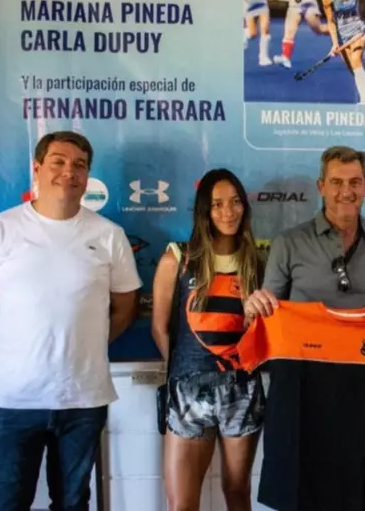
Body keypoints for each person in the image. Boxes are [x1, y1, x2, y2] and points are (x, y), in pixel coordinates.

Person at [242, 145, 365, 511]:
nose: (346, 191)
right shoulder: (288, 243)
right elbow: (265, 315)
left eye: (355, 182)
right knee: (302, 488)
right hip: (303, 384)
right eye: (337, 182)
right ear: (321, 186)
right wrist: (254, 307)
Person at [0, 131, 142, 510]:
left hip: (82, 401)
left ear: (87, 176)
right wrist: (15, 350)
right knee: (6, 504)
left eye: (79, 165)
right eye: (58, 162)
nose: (68, 171)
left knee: (73, 503)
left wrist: (83, 346)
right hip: (14, 400)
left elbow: (126, 307)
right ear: (37, 168)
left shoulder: (109, 236)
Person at [151, 169, 266, 510]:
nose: (228, 212)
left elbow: (267, 333)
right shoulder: (177, 258)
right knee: (182, 503)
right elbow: (159, 327)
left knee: (237, 493)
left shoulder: (257, 262)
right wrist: (184, 373)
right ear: (204, 210)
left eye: (235, 202)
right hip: (188, 392)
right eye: (217, 204)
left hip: (242, 391)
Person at [272, 0, 330, 69]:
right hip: (294, 4)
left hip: (307, 1)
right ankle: (285, 57)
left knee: (320, 29)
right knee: (289, 31)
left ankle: (339, 31)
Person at [243, 0, 279, 66]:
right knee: (252, 34)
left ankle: (263, 57)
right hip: (248, 4)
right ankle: (244, 34)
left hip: (262, 3)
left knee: (265, 29)